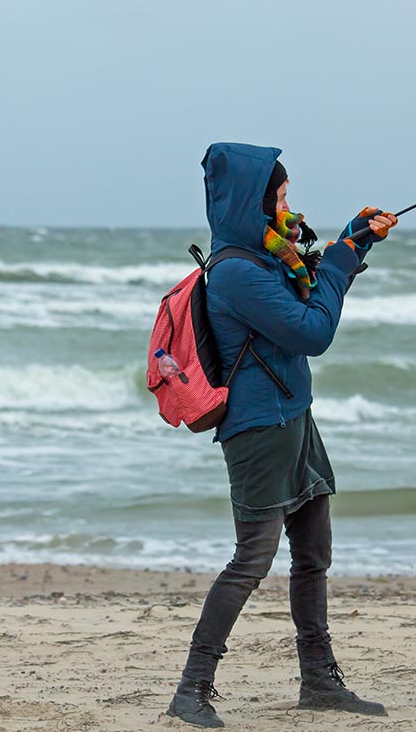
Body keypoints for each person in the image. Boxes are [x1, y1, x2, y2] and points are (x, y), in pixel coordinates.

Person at [166, 142, 397, 728]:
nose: (288, 204)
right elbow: (312, 330)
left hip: (294, 415)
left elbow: (308, 283)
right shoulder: (240, 271)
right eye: (282, 195)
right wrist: (341, 265)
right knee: (252, 559)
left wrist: (354, 237)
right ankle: (192, 689)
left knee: (314, 554)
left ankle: (319, 681)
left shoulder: (271, 255)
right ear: (254, 200)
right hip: (259, 428)